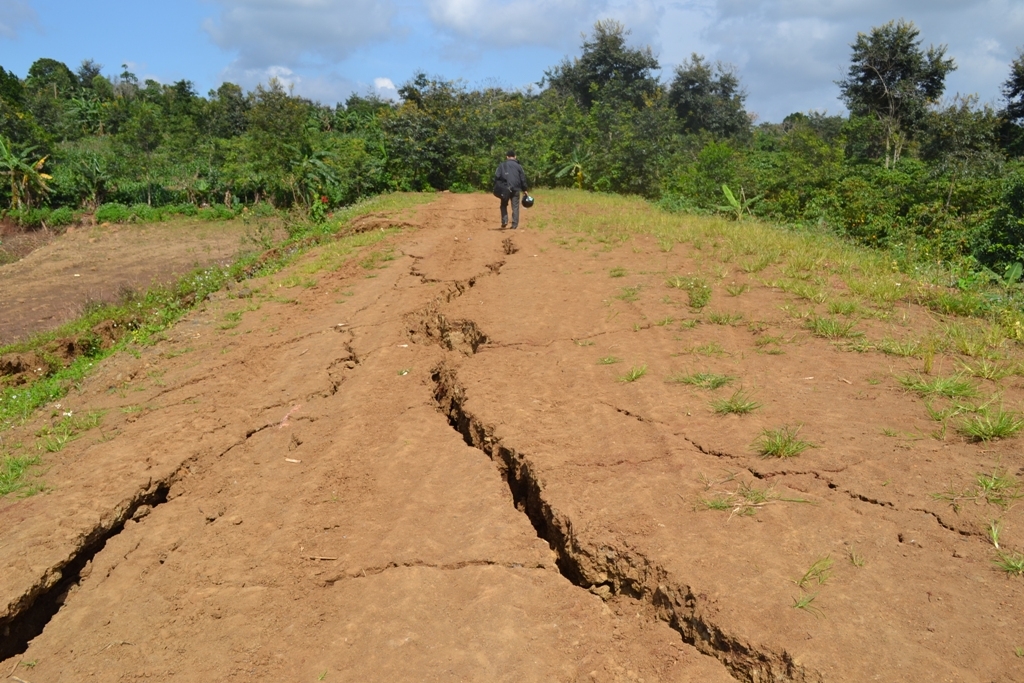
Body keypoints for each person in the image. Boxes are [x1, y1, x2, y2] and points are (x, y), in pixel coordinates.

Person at [494, 150, 528, 230]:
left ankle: (504, 221)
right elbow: (522, 179)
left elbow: (496, 177)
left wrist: (500, 186)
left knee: (503, 205)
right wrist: (525, 189)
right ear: (515, 157)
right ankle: (514, 225)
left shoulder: (502, 165)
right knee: (515, 207)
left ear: (507, 157)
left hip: (505, 189)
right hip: (516, 189)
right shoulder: (519, 166)